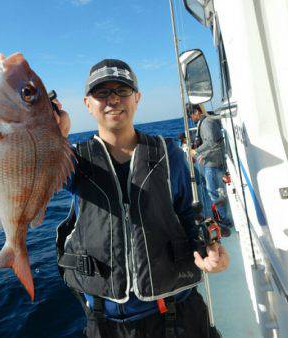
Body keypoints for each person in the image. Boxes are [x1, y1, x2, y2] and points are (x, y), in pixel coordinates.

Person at [53, 59, 229, 338]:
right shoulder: (72, 161)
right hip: (106, 323)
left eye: (122, 90)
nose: (112, 99)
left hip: (177, 315)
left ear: (137, 98)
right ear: (87, 104)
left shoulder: (168, 153)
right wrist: (52, 134)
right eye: (101, 93)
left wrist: (210, 250)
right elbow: (26, 175)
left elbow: (191, 214)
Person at [188, 104, 232, 237]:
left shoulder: (206, 123)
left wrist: (196, 151)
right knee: (216, 192)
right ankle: (224, 218)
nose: (191, 118)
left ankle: (224, 221)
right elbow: (214, 143)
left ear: (196, 112)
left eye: (191, 115)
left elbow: (211, 143)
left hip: (213, 164)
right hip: (212, 160)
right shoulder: (208, 121)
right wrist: (204, 155)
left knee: (214, 193)